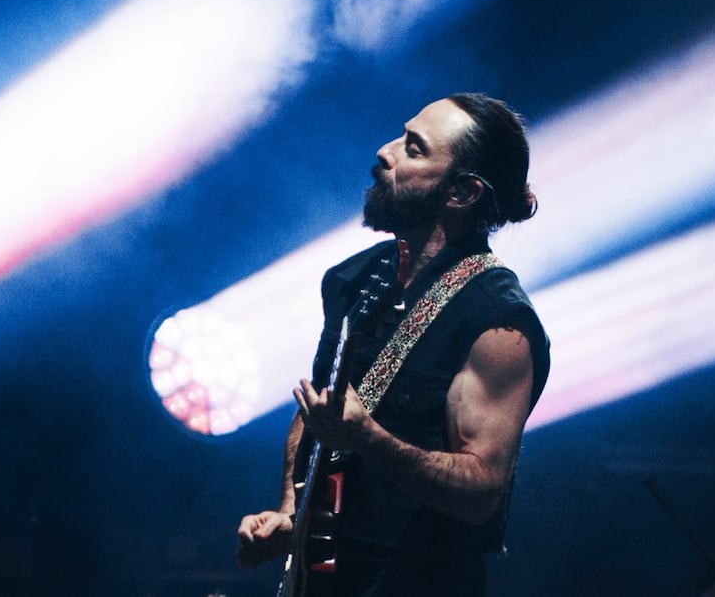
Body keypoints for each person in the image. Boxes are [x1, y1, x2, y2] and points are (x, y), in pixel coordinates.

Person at [236, 93, 551, 596]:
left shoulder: (498, 322)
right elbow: (320, 410)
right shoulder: (355, 278)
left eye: (414, 148)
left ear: (462, 192)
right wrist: (292, 516)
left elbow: (480, 491)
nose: (386, 152)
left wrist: (370, 439)